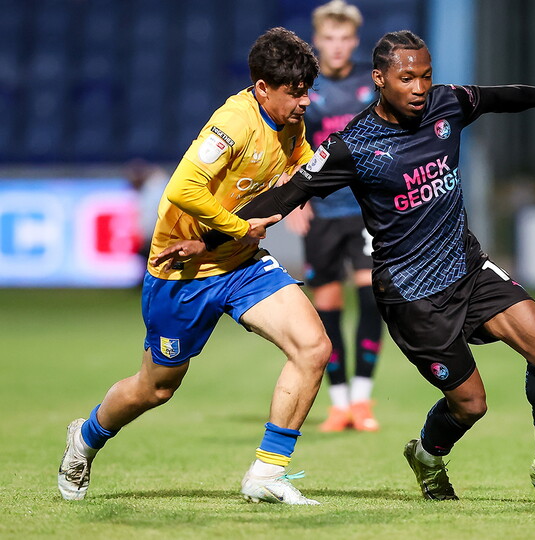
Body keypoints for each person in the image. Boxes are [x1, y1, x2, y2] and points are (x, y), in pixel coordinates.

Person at [157, 30, 535, 501]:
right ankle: (427, 458)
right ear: (380, 80)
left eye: (426, 76)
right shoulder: (352, 145)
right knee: (471, 405)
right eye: (407, 78)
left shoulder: (447, 105)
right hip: (412, 295)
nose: (420, 87)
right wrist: (206, 238)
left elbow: (499, 97)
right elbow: (287, 195)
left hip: (467, 267)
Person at [58, 28, 331, 506]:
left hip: (243, 266)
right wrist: (236, 227)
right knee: (155, 388)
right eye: (296, 92)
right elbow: (182, 190)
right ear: (262, 88)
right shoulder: (233, 122)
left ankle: (266, 474)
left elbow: (301, 163)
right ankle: (85, 438)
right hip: (181, 273)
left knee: (313, 347)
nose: (306, 102)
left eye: (308, 90)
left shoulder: (289, 120)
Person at [286, 0, 383, 433]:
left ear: (354, 41)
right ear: (318, 41)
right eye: (330, 38)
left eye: (345, 39)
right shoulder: (305, 87)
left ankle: (362, 399)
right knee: (327, 308)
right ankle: (339, 402)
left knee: (371, 298)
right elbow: (289, 145)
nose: (338, 46)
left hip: (364, 211)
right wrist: (295, 199)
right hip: (323, 211)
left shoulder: (371, 83)